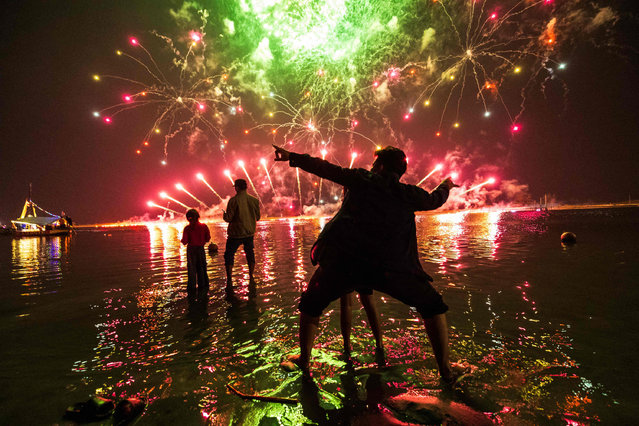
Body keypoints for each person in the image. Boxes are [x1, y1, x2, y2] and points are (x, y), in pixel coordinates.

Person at [273, 144, 460, 383]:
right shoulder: (409, 194)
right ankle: (446, 370)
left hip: (345, 264)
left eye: (375, 163)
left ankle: (304, 360)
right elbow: (435, 199)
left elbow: (326, 168)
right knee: (433, 306)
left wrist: (293, 157)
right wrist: (446, 184)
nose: (371, 166)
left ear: (380, 166)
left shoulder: (361, 179)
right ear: (400, 170)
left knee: (311, 304)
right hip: (391, 269)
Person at [223, 178, 261, 298]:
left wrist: (224, 214)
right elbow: (258, 217)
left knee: (229, 254)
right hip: (249, 233)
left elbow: (228, 218)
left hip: (235, 233)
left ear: (237, 187)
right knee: (250, 253)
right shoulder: (254, 200)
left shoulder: (233, 201)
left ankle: (229, 278)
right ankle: (251, 275)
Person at [181, 208, 211, 298]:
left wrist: (182, 240)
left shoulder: (187, 228)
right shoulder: (204, 226)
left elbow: (185, 242)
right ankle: (204, 288)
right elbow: (208, 238)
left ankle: (192, 290)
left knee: (192, 270)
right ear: (198, 217)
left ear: (188, 218)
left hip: (191, 251)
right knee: (202, 269)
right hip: (200, 249)